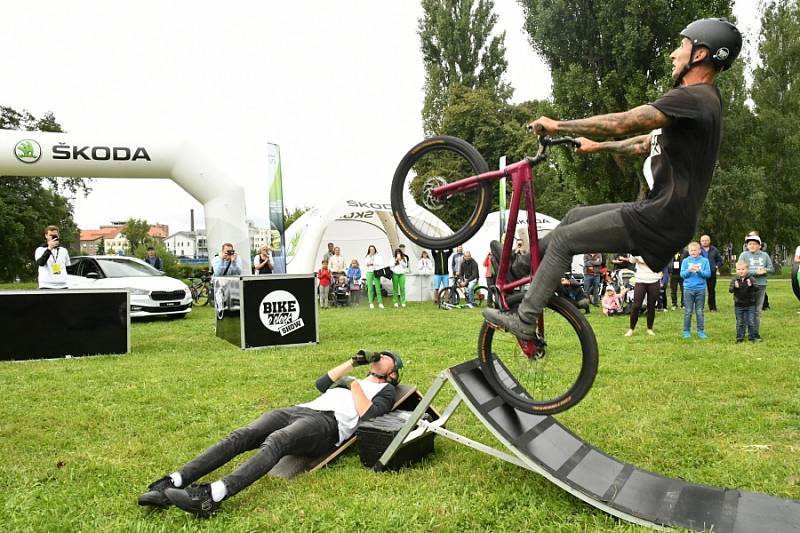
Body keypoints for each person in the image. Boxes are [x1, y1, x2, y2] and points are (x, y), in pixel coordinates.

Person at [484, 18, 742, 341]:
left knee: (565, 241)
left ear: (700, 54)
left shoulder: (694, 99)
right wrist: (597, 147)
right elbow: (643, 142)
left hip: (663, 217)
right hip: (664, 213)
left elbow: (624, 123)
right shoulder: (699, 105)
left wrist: (560, 125)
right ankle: (519, 269)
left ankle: (525, 318)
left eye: (682, 46)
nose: (673, 54)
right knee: (575, 217)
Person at [138, 351, 402, 517]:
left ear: (393, 372)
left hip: (326, 424)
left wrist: (355, 385)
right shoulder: (354, 379)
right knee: (241, 435)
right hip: (300, 409)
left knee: (276, 442)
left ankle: (211, 496)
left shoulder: (386, 391)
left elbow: (368, 418)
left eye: (387, 357)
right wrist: (352, 363)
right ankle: (173, 481)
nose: (381, 356)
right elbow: (321, 384)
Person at [737, 232, 773, 337]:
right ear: (746, 246)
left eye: (754, 244)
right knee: (746, 309)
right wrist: (754, 272)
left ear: (759, 245)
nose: (752, 246)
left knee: (757, 310)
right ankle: (741, 333)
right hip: (746, 287)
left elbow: (771, 269)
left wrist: (764, 270)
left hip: (761, 286)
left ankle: (754, 333)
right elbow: (740, 270)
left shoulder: (765, 255)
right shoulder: (744, 255)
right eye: (750, 244)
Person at [625, 255, 662, 337]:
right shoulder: (638, 249)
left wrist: (642, 260)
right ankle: (631, 329)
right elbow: (632, 261)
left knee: (651, 305)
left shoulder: (655, 249)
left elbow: (657, 262)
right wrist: (636, 257)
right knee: (636, 306)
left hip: (654, 279)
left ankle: (649, 329)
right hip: (640, 280)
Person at [681, 241, 711, 338]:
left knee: (699, 311)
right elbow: (682, 275)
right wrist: (689, 270)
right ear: (688, 251)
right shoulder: (686, 261)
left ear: (699, 251)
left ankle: (701, 331)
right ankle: (686, 331)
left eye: (695, 250)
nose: (693, 252)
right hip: (688, 289)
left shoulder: (705, 261)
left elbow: (708, 274)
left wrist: (699, 271)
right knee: (688, 311)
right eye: (691, 250)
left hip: (700, 289)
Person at [729, 260, 758, 342]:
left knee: (751, 321)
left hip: (750, 304)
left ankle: (752, 337)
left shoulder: (751, 278)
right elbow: (730, 290)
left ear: (747, 270)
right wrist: (734, 287)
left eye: (743, 269)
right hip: (739, 304)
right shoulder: (734, 279)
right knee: (739, 322)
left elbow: (757, 288)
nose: (741, 271)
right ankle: (739, 338)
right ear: (736, 270)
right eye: (738, 269)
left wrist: (751, 285)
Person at [35, 225, 70, 289]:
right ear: (46, 236)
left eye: (55, 235)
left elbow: (68, 267)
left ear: (58, 235)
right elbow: (41, 263)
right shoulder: (40, 249)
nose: (53, 237)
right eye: (51, 235)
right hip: (46, 285)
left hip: (63, 285)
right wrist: (49, 248)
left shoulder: (64, 250)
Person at [699, 234, 724, 311]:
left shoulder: (714, 250)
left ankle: (712, 307)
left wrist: (716, 266)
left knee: (711, 291)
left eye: (706, 240)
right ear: (700, 242)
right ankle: (700, 307)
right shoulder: (698, 250)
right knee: (700, 291)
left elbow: (720, 261)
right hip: (700, 273)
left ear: (709, 241)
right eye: (703, 240)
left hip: (711, 273)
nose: (705, 242)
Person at [363, 245, 384, 309]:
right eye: (370, 249)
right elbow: (366, 264)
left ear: (375, 249)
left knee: (378, 288)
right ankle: (371, 303)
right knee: (370, 288)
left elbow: (380, 263)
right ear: (369, 250)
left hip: (376, 272)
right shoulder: (367, 256)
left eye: (373, 249)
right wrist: (370, 260)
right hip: (369, 272)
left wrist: (373, 263)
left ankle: (380, 303)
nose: (372, 250)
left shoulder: (378, 256)